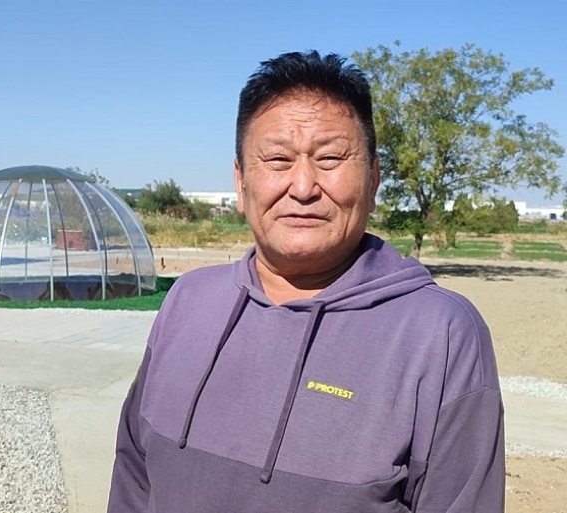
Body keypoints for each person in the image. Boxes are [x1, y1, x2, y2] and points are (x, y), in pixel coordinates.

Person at [107, 51, 505, 513]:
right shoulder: (188, 300)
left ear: (373, 178)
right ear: (240, 181)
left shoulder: (440, 334)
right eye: (277, 159)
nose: (302, 187)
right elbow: (134, 473)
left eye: (331, 158)